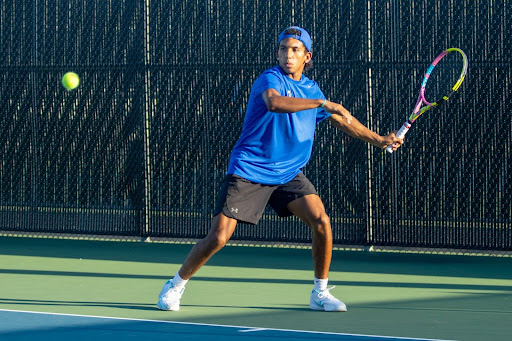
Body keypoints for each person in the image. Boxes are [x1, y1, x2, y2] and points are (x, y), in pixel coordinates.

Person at [157, 26, 403, 312]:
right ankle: (175, 285)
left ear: (306, 56)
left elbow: (342, 120)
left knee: (321, 221)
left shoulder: (311, 88)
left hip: (288, 173)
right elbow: (275, 104)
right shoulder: (269, 79)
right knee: (219, 237)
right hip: (250, 169)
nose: (288, 55)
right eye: (284, 49)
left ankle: (319, 293)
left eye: (295, 50)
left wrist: (379, 139)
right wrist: (323, 103)